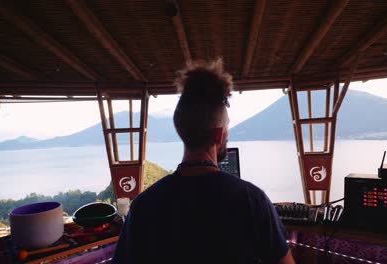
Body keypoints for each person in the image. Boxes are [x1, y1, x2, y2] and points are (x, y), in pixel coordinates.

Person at [113, 59, 295, 264]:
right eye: (227, 127)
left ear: (181, 130)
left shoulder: (143, 206)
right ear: (219, 134)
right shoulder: (252, 200)